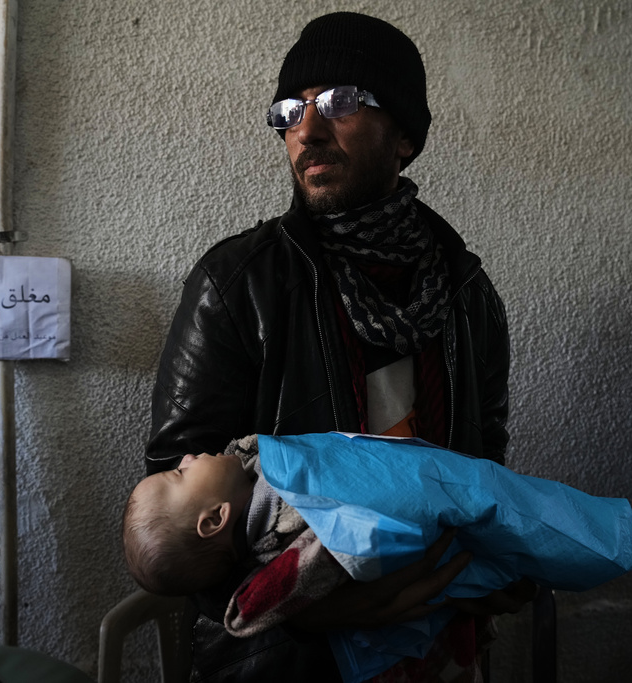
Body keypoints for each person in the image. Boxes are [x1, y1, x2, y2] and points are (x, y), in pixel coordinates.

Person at [143, 11, 529, 681]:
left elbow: (484, 461)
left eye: (340, 101)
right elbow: (175, 496)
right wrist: (304, 603)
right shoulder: (238, 284)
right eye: (291, 111)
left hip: (436, 640)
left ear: (404, 135)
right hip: (287, 661)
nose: (308, 130)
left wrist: (486, 564)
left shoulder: (467, 294)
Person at [125, 433, 632, 683]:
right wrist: (309, 612)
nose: (186, 458)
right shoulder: (237, 288)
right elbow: (344, 550)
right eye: (180, 474)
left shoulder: (464, 296)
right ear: (214, 519)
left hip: (454, 588)